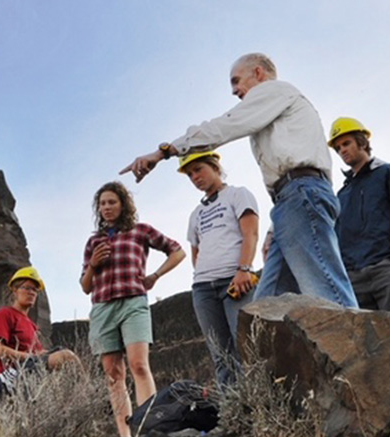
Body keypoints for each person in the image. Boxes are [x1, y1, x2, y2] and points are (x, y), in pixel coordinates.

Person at [122, 53, 357, 308]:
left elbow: (227, 125)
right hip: (290, 201)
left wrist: (164, 152)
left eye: (236, 81)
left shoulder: (274, 91)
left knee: (326, 288)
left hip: (300, 194)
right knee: (267, 306)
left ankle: (358, 347)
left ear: (258, 73)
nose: (234, 91)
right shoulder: (275, 109)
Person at [80, 181, 186, 437]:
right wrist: (93, 264)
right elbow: (85, 286)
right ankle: (126, 436)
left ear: (123, 204)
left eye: (111, 202)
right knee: (114, 374)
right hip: (103, 307)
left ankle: (151, 429)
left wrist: (155, 276)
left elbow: (177, 251)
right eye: (102, 203)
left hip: (133, 302)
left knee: (139, 364)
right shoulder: (94, 241)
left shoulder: (141, 231)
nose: (106, 207)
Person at [329, 117, 390, 316]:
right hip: (354, 281)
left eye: (346, 143)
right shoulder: (342, 194)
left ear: (362, 141)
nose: (342, 151)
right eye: (338, 148)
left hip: (388, 271)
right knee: (366, 346)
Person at [180, 151, 259, 387]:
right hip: (203, 288)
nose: (195, 177)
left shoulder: (238, 194)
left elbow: (251, 233)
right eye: (190, 174)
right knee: (220, 355)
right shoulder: (196, 214)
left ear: (215, 166)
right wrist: (203, 276)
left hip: (234, 281)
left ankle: (261, 411)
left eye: (199, 169)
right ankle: (232, 413)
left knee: (246, 347)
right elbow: (196, 252)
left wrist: (244, 268)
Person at [0, 266, 82, 396]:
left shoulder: (30, 323)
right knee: (65, 356)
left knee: (62, 352)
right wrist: (29, 356)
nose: (32, 292)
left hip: (29, 367)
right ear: (15, 291)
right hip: (8, 374)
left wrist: (47, 353)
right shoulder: (5, 314)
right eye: (26, 288)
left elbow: (37, 352)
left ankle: (82, 393)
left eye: (35, 290)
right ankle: (85, 392)